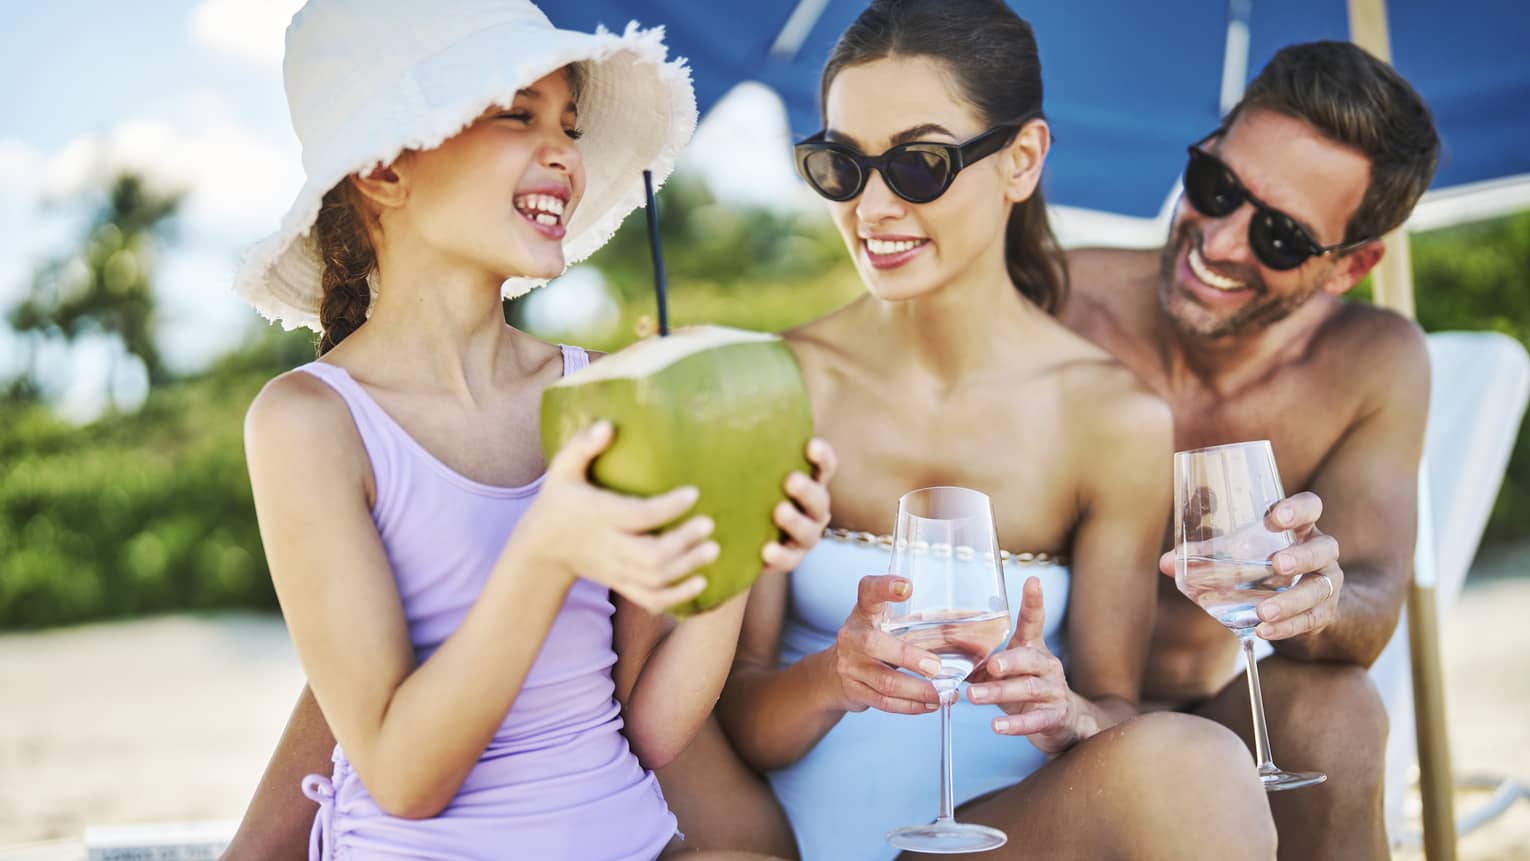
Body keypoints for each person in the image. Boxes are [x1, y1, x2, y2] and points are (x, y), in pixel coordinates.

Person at [656, 2, 1280, 859]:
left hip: (1007, 837)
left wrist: (1072, 714)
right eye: (842, 164)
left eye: (917, 163)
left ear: (1021, 160)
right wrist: (837, 675)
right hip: (812, 838)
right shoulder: (782, 386)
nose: (871, 206)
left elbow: (1114, 706)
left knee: (1198, 760)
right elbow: (739, 723)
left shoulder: (1111, 419)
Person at [225, 0, 832, 857]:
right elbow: (404, 774)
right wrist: (547, 547)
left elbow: (645, 729)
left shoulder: (598, 386)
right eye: (519, 115)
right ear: (383, 170)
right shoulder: (311, 423)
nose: (564, 153)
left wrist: (742, 554)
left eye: (571, 125)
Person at [1060, 40, 1440, 860]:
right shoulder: (1059, 299)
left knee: (1338, 713)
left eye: (1280, 236)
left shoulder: (1373, 361)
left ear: (1353, 265)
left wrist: (1320, 594)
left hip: (1220, 712)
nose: (1221, 242)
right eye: (1216, 186)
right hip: (1039, 717)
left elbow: (1372, 595)